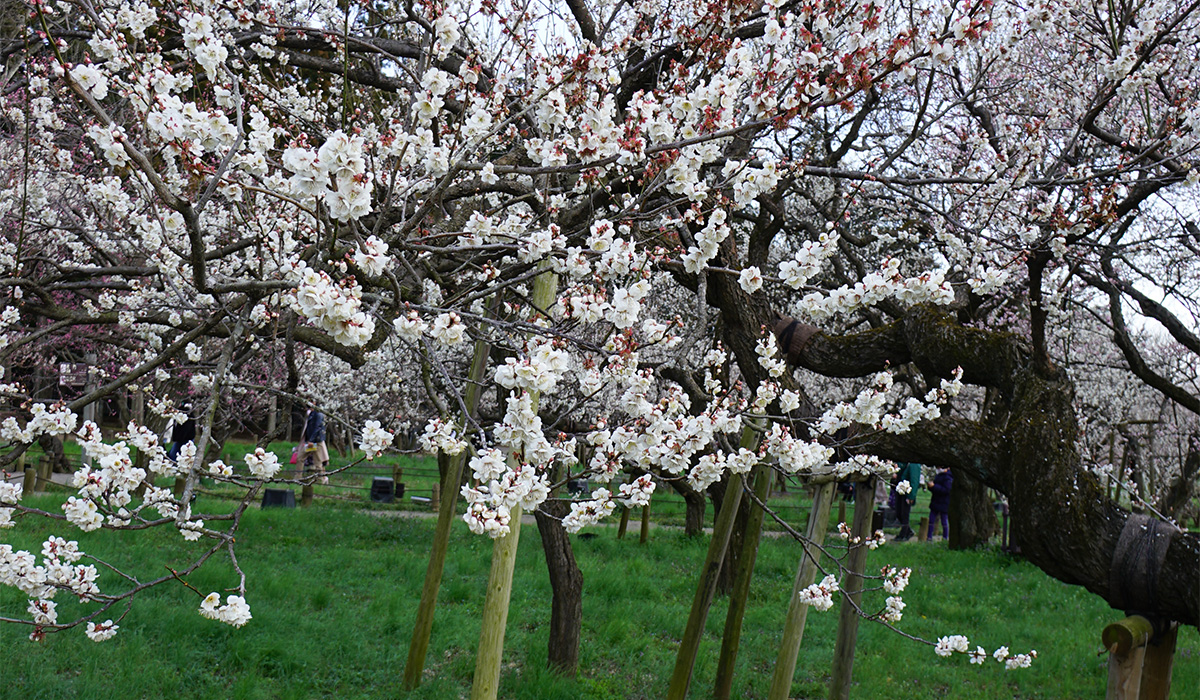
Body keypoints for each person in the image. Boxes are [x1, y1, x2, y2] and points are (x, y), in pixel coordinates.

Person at [894, 461, 921, 541]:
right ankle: (908, 531)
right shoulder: (905, 462)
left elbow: (914, 480)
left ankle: (904, 534)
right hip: (901, 490)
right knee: (898, 512)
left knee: (904, 514)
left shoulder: (914, 464)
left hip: (907, 492)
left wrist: (911, 496)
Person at [302, 406, 329, 483]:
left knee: (318, 461)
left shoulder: (319, 414)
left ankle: (322, 478)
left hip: (316, 442)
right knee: (300, 458)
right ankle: (298, 476)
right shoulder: (311, 413)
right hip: (310, 442)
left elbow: (317, 428)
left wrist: (311, 440)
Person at [927, 466, 953, 541]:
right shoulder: (939, 476)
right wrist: (931, 487)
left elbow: (946, 490)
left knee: (944, 521)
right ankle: (929, 537)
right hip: (936, 501)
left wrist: (934, 486)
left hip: (944, 502)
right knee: (931, 520)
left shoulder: (948, 478)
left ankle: (945, 537)